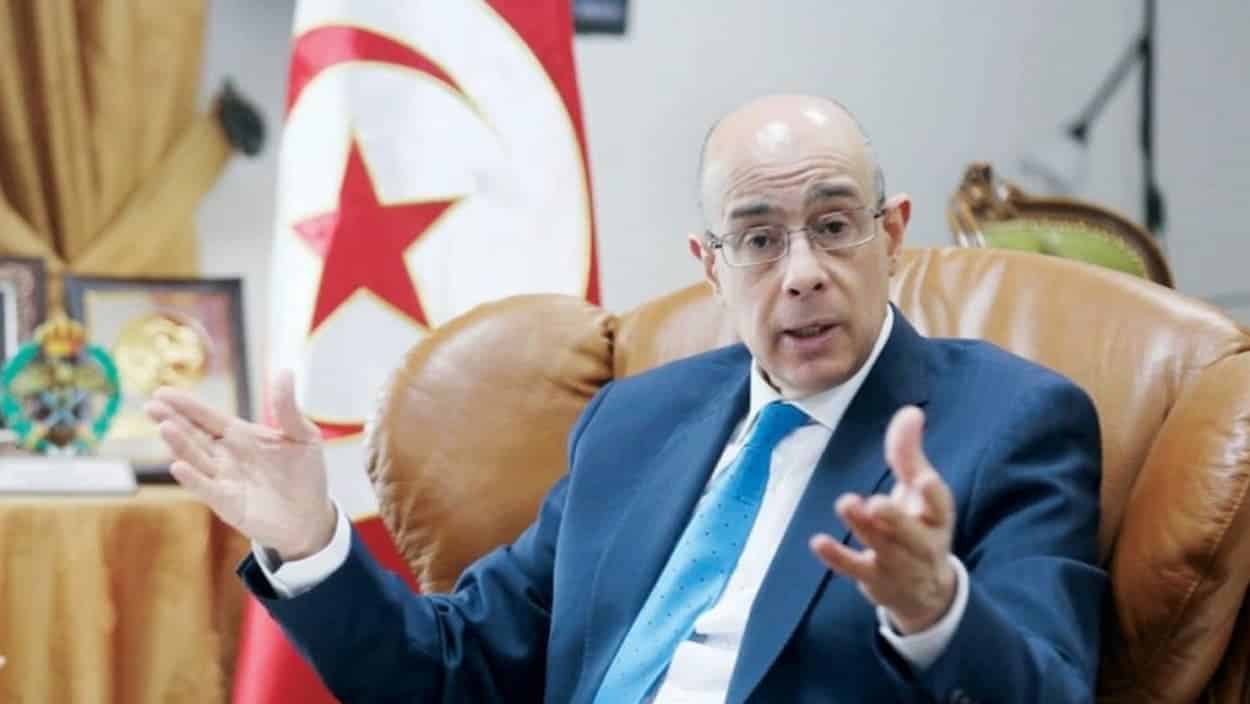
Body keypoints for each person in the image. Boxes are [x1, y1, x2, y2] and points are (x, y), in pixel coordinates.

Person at [147, 94, 1105, 703]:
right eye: (759, 240)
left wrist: (937, 611)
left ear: (891, 235)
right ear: (711, 267)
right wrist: (310, 543)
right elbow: (452, 671)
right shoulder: (635, 422)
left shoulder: (1011, 424)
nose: (804, 272)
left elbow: (1053, 690)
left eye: (834, 225)